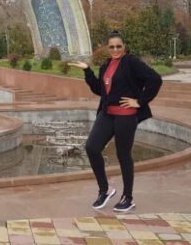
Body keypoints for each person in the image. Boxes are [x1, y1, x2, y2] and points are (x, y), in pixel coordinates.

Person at [68, 31, 162, 212]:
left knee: (123, 155)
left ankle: (128, 197)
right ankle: (105, 190)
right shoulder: (106, 65)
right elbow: (100, 90)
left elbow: (155, 79)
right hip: (107, 114)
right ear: (108, 48)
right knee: (92, 148)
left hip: (126, 116)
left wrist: (140, 101)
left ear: (124, 47)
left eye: (119, 46)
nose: (115, 49)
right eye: (112, 47)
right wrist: (87, 71)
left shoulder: (131, 62)